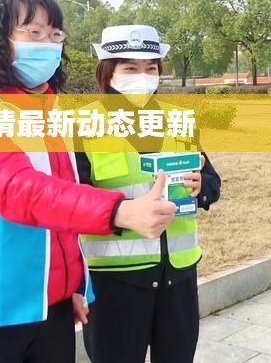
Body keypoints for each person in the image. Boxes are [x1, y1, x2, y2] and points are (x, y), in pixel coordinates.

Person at [0, 0, 177, 363]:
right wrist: (119, 211)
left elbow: (62, 199)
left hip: (50, 302)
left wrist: (71, 282)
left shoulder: (45, 109)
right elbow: (20, 190)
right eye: (34, 32)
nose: (48, 45)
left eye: (55, 35)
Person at [77, 24, 222, 363]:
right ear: (108, 71)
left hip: (178, 275)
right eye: (130, 68)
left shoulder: (179, 119)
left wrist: (201, 188)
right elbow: (73, 200)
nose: (142, 77)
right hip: (115, 282)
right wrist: (124, 212)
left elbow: (212, 181)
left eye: (151, 68)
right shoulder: (81, 124)